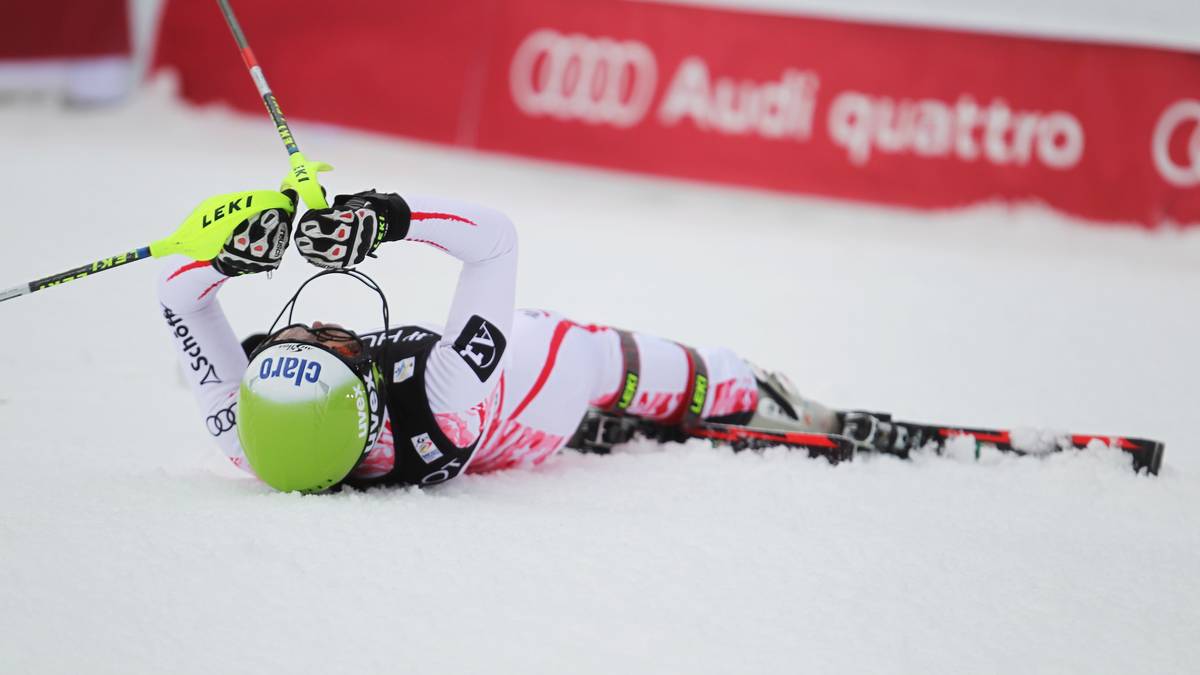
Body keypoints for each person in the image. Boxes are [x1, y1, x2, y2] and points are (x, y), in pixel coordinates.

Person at [158, 189, 843, 493]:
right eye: (330, 341)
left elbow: (177, 297)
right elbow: (494, 241)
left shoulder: (253, 440)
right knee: (574, 344)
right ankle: (743, 386)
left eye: (292, 338)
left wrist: (230, 256)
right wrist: (388, 219)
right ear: (363, 391)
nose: (318, 325)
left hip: (484, 435)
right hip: (530, 404)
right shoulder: (441, 393)